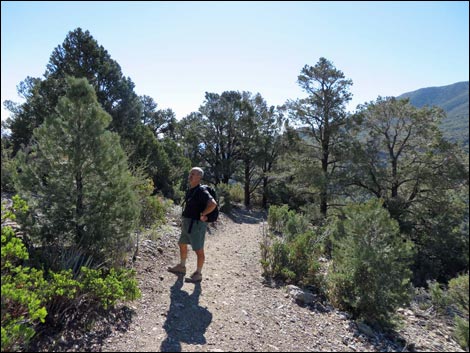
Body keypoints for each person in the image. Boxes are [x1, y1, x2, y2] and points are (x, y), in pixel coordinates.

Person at [168, 167, 217, 282]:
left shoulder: (202, 191)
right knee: (182, 243)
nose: (190, 176)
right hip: (188, 222)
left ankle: (198, 273)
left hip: (197, 224)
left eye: (193, 174)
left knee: (198, 249)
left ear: (199, 177)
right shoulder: (191, 189)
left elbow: (213, 204)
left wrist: (203, 214)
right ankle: (182, 266)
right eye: (190, 173)